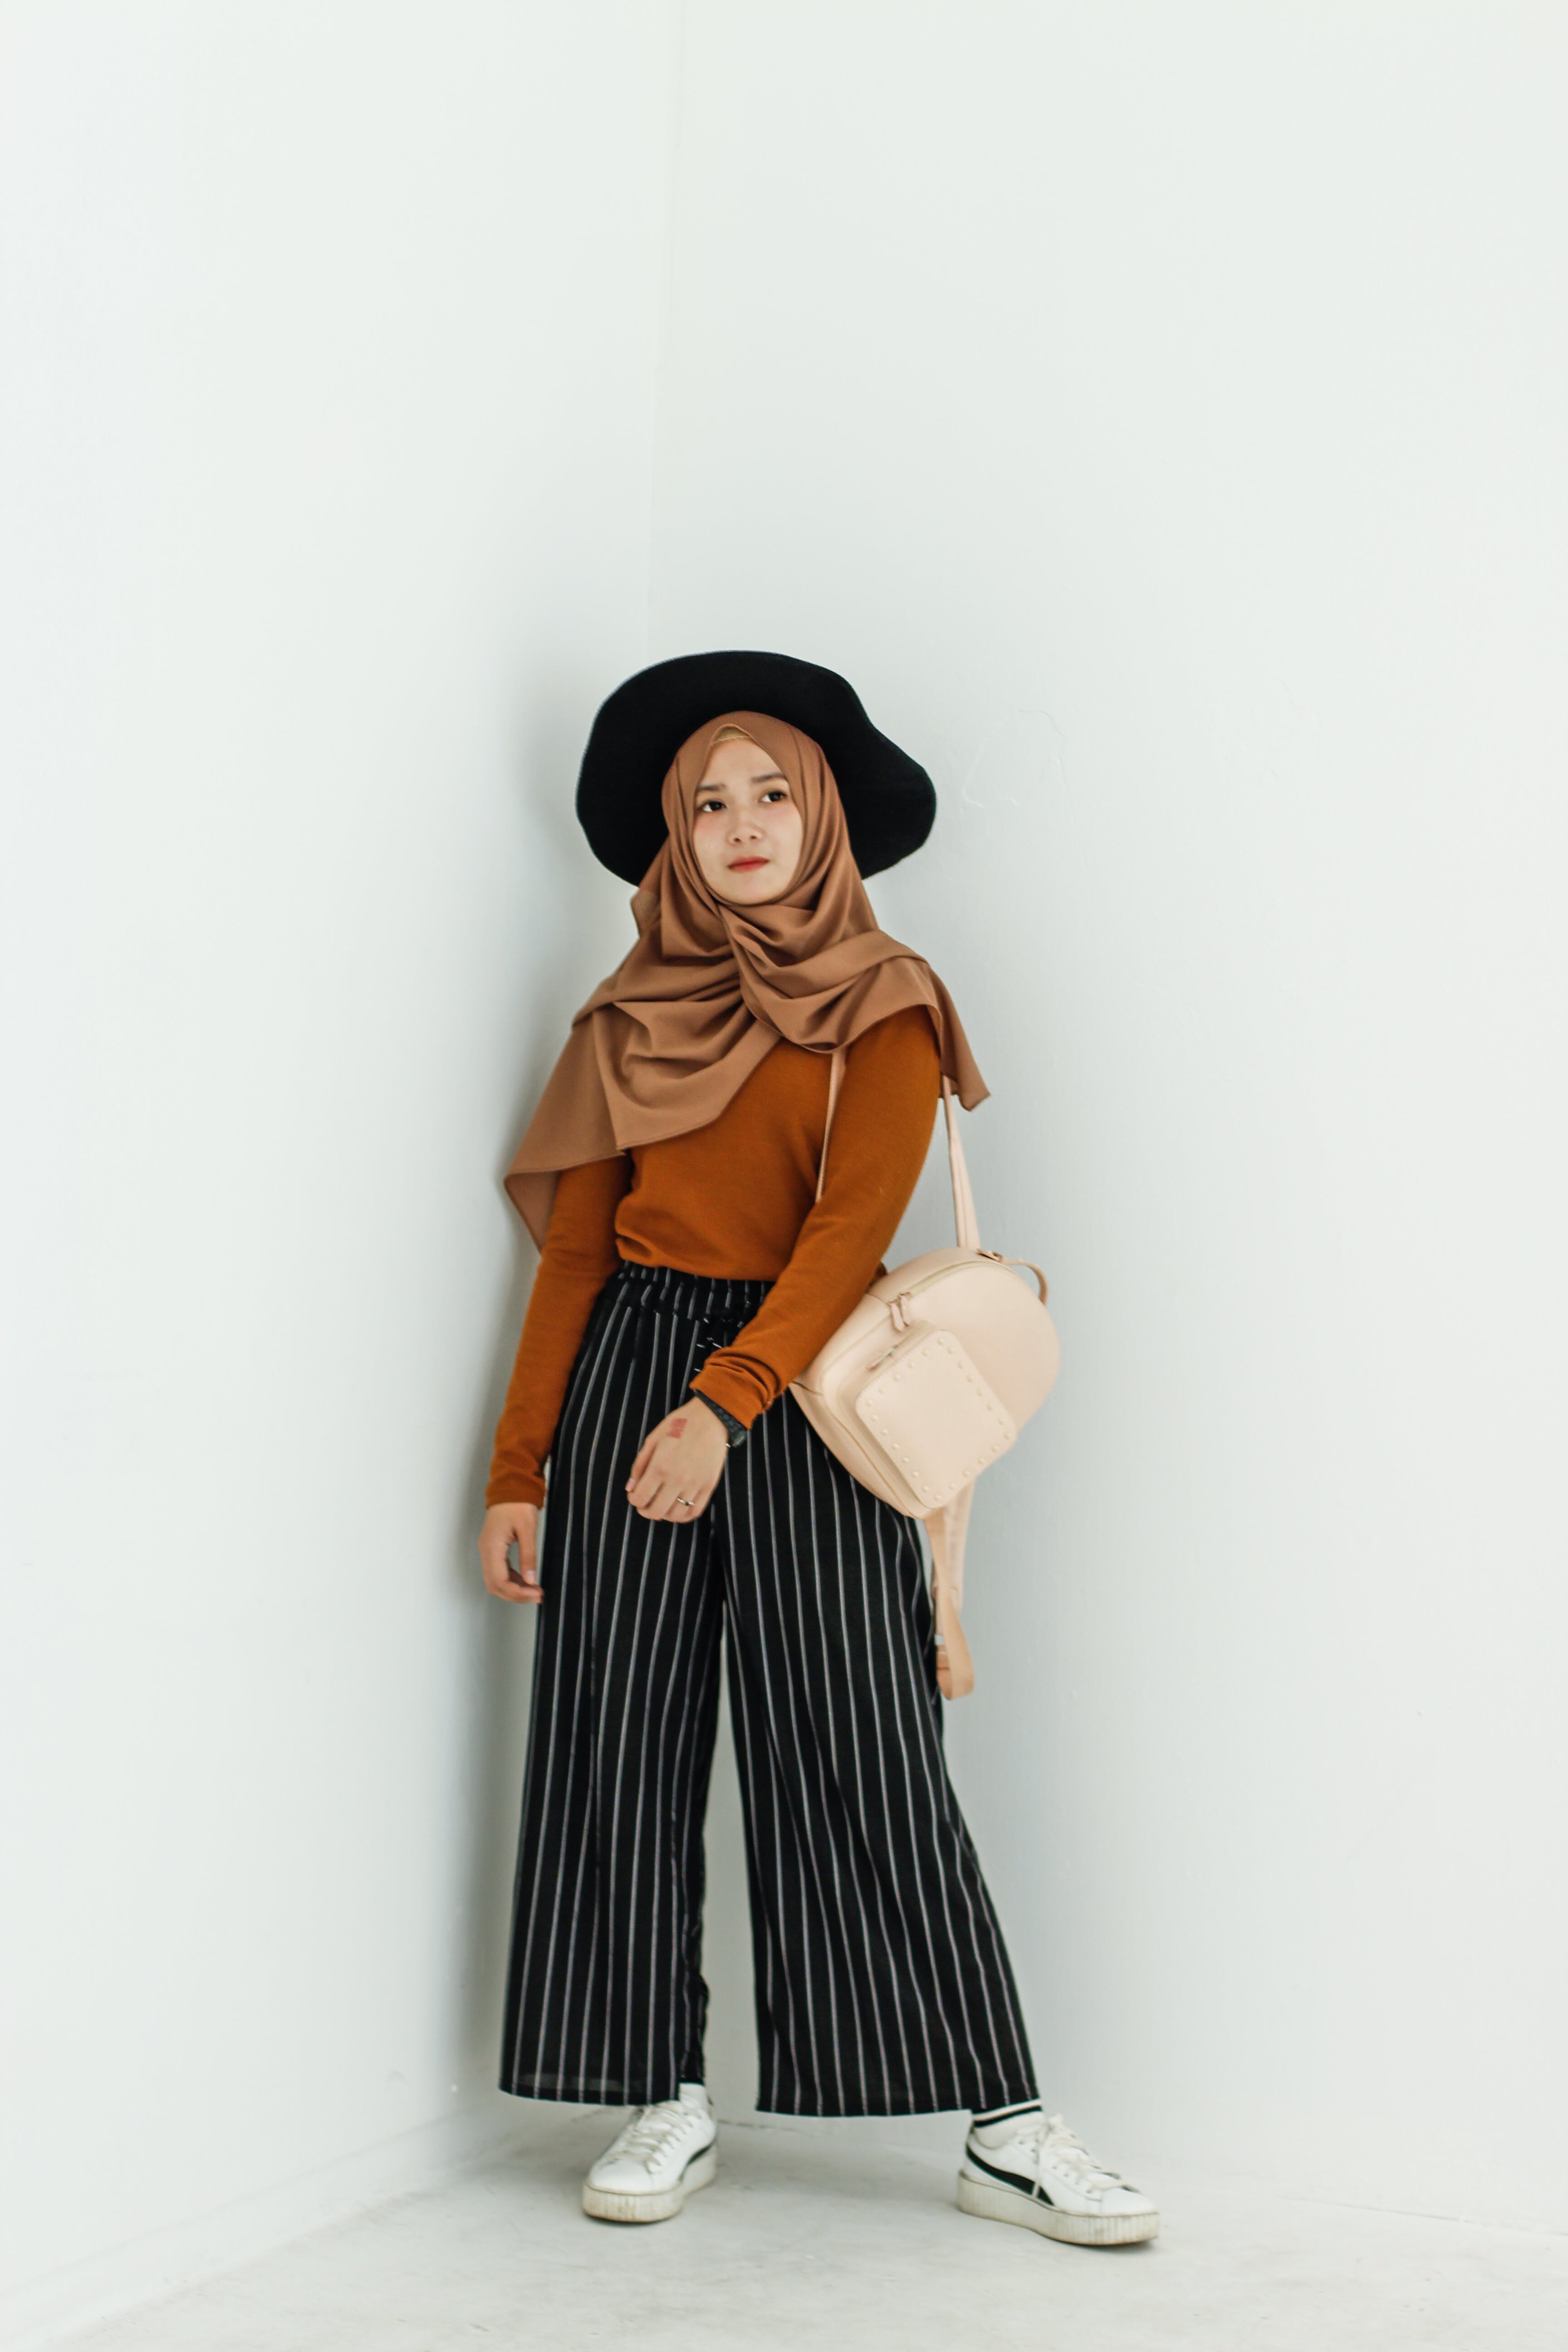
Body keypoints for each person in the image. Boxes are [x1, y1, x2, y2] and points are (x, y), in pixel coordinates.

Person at [478, 652, 1158, 2248]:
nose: (739, 825)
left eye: (770, 793)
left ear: (825, 812)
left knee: (865, 1740)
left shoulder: (887, 998)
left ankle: (1003, 2117)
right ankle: (658, 2087)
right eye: (706, 804)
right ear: (672, 836)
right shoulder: (625, 1016)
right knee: (612, 1737)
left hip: (799, 1386)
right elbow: (575, 1259)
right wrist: (523, 1468)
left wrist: (724, 1408)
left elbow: (851, 1235)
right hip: (628, 1378)